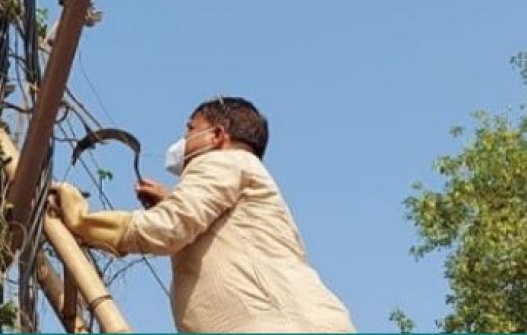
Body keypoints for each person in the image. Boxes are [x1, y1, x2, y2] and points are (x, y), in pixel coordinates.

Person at [53, 97, 355, 333]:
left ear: (217, 135)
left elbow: (168, 228)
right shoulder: (249, 172)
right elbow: (225, 236)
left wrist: (81, 221)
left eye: (190, 129)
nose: (183, 140)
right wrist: (170, 201)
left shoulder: (220, 162)